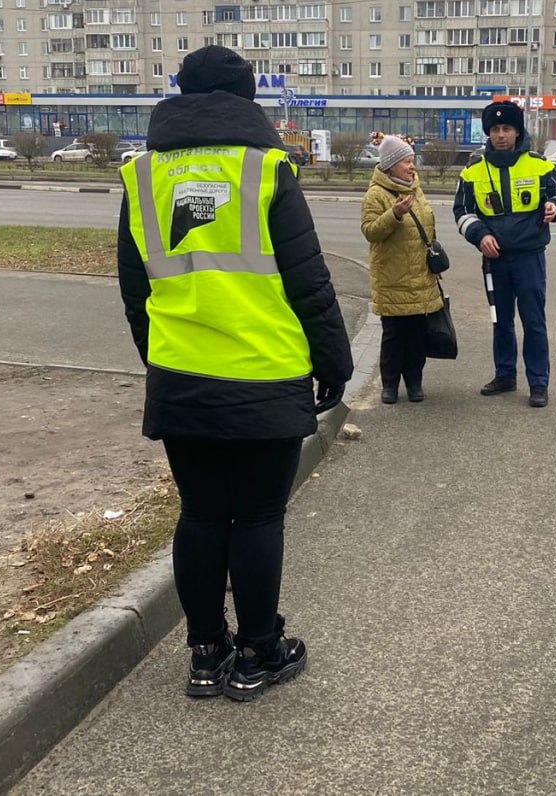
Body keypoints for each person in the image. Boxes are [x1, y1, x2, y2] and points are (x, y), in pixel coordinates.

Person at [117, 45, 353, 702]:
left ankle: (204, 653)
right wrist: (334, 363)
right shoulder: (266, 170)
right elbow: (310, 282)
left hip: (181, 375)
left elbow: (135, 292)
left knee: (199, 514)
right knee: (255, 518)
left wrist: (159, 360)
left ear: (181, 95)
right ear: (247, 100)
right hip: (265, 372)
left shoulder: (141, 176)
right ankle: (256, 654)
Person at [454, 101, 556, 408]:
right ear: (488, 133)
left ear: (518, 132)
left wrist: (554, 207)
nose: (501, 135)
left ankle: (538, 382)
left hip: (529, 257)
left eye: (507, 129)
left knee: (534, 321)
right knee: (500, 320)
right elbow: (462, 212)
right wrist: (481, 235)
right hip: (495, 260)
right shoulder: (472, 172)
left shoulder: (540, 164)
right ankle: (505, 374)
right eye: (495, 129)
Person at [361, 134, 443, 404]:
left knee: (417, 338)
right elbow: (371, 232)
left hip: (421, 278)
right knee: (394, 338)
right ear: (391, 164)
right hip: (392, 280)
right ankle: (390, 385)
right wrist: (394, 215)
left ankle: (415, 383)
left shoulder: (416, 190)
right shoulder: (376, 194)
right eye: (407, 161)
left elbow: (428, 228)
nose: (412, 166)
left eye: (412, 160)